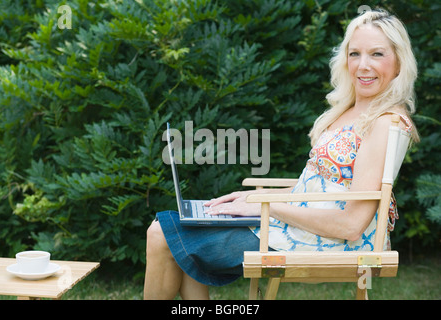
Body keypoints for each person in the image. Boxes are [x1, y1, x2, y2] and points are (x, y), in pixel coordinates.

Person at [143, 9, 419, 300]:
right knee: (178, 232)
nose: (363, 65)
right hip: (296, 227)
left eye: (377, 54)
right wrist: (251, 199)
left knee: (162, 235)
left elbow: (350, 225)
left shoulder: (386, 122)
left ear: (399, 62)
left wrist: (266, 206)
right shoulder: (351, 111)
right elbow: (318, 188)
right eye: (355, 54)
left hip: (322, 241)